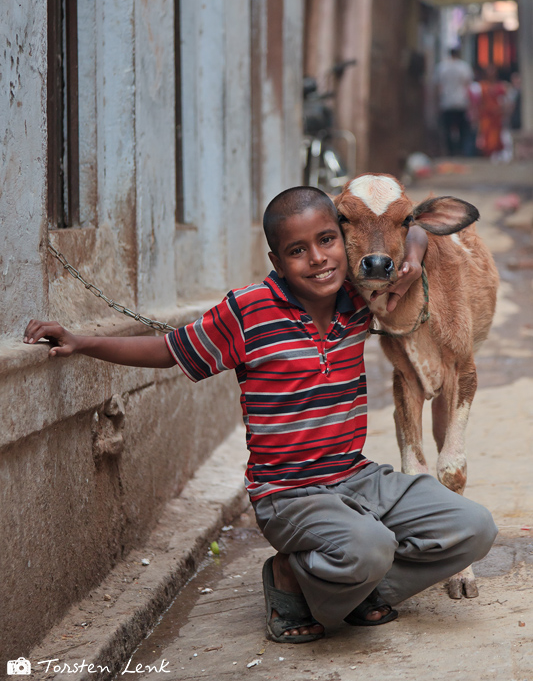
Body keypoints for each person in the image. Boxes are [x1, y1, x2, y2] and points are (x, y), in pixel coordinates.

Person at [24, 187, 497, 644]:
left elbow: (396, 231)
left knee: (474, 528)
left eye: (327, 240)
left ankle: (357, 586)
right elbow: (168, 350)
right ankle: (290, 575)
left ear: (344, 242)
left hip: (357, 478)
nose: (317, 259)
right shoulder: (247, 312)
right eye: (297, 250)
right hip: (288, 493)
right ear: (277, 262)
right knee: (370, 546)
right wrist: (81, 342)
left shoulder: (359, 299)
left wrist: (413, 238)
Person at [434, 47, 474, 157]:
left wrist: (437, 103)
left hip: (446, 102)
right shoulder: (464, 67)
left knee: (447, 129)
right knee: (462, 129)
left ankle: (450, 151)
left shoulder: (442, 67)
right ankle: (460, 151)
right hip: (461, 102)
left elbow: (438, 87)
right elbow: (468, 85)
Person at [477, 65, 507, 158]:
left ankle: (495, 153)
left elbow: (503, 101)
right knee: (486, 135)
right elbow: (479, 101)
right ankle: (486, 153)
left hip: (496, 116)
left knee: (496, 136)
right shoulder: (482, 86)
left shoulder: (500, 86)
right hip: (486, 115)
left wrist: (501, 110)